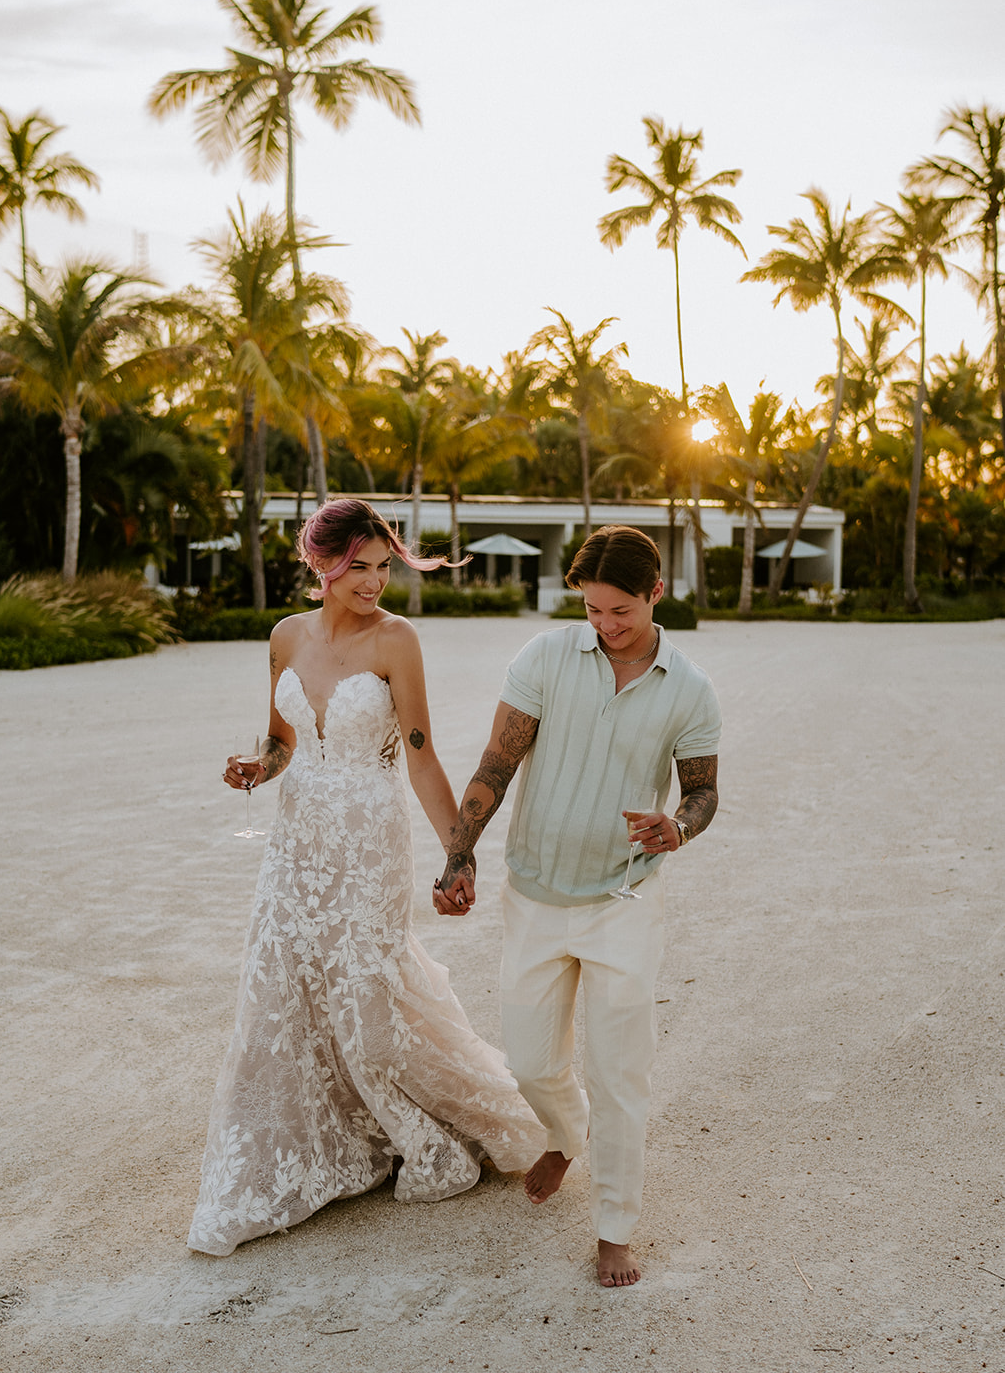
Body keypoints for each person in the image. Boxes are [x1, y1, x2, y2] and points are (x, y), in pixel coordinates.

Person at [188, 499, 543, 1257]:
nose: (375, 581)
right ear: (321, 562)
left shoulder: (396, 640)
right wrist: (256, 767)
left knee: (367, 996)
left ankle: (432, 1129)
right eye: (360, 567)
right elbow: (282, 742)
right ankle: (308, 1149)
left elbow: (420, 755)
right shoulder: (285, 636)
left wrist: (458, 852)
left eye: (384, 567)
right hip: (296, 846)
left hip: (368, 842)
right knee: (285, 985)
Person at [433, 525, 721, 1288]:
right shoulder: (544, 657)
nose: (604, 625)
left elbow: (701, 790)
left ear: (656, 593)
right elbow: (497, 762)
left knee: (619, 1071)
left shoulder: (689, 688)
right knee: (530, 1062)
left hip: (624, 898)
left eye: (619, 611)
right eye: (592, 610)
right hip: (534, 893)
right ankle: (566, 1131)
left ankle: (614, 1230)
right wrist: (459, 853)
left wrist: (678, 827)